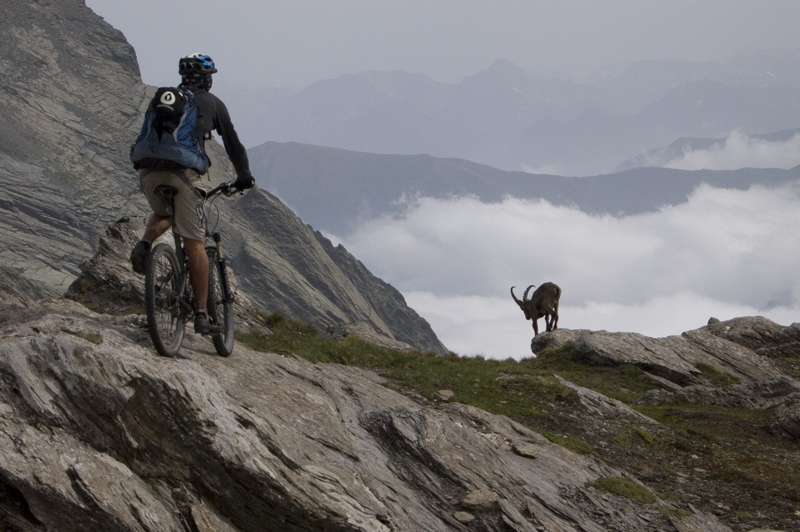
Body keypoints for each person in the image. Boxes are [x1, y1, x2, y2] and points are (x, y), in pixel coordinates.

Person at [130, 53, 255, 335]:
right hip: (183, 173)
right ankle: (201, 315)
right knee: (195, 243)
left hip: (147, 170)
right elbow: (232, 143)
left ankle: (146, 243)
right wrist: (244, 176)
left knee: (164, 212)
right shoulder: (212, 102)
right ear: (208, 80)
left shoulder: (163, 99)